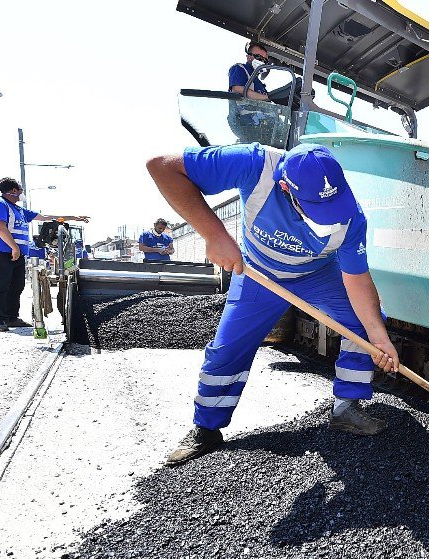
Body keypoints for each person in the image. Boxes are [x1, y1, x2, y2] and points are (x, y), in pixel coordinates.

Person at [147, 142, 400, 466]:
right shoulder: (254, 166)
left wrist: (378, 336)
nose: (329, 218)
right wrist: (214, 234)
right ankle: (206, 429)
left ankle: (347, 408)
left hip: (316, 274)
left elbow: (357, 279)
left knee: (366, 324)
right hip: (259, 273)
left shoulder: (351, 218)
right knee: (228, 350)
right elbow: (161, 166)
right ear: (285, 189)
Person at [0, 177, 88, 332]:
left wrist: (73, 217)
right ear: (13, 190)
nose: (21, 192)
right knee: (1, 285)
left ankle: (11, 317)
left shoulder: (19, 210)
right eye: (20, 189)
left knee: (17, 286)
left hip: (16, 253)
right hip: (0, 252)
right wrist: (14, 247)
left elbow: (45, 217)